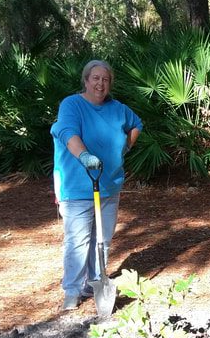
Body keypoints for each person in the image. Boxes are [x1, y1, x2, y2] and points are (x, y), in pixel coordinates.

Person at [51, 60, 143, 310]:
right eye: (95, 78)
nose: (100, 83)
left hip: (109, 185)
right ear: (86, 80)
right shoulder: (72, 105)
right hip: (78, 187)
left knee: (102, 239)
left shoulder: (118, 109)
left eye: (105, 79)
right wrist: (83, 156)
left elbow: (136, 125)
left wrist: (126, 147)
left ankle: (95, 282)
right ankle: (72, 290)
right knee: (78, 241)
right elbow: (68, 133)